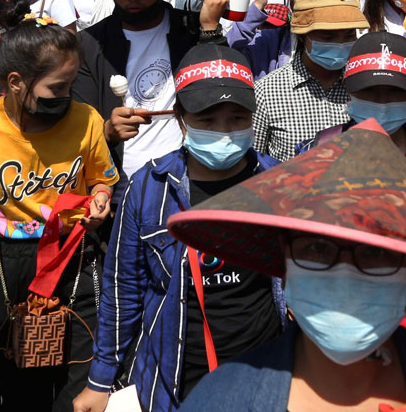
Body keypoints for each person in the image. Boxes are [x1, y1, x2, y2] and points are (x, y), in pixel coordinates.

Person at [171, 121, 406, 411]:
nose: (343, 275)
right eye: (318, 249)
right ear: (286, 263)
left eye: (375, 254)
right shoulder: (221, 400)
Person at [72, 46, 285, 412]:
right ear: (182, 119)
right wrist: (100, 378)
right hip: (176, 381)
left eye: (237, 118)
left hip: (267, 376)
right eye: (207, 120)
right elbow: (123, 289)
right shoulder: (149, 188)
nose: (224, 132)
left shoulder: (280, 183)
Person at [0, 13, 118, 411]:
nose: (68, 96)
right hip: (10, 266)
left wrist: (101, 198)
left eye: (72, 84)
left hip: (76, 258)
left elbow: (101, 179)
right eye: (57, 87)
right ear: (15, 82)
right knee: (17, 380)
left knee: (78, 383)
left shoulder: (87, 119)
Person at [297, 30, 406, 234]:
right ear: (348, 90)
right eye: (369, 91)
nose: (382, 103)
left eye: (395, 92)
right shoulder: (313, 154)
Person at [71, 0, 229, 177]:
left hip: (188, 175)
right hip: (117, 184)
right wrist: (105, 131)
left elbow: (222, 93)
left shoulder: (193, 30)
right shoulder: (89, 43)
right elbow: (78, 124)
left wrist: (211, 30)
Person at [253, 0, 368, 161]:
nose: (340, 43)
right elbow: (254, 166)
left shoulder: (367, 86)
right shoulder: (266, 92)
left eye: (349, 34)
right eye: (327, 35)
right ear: (302, 32)